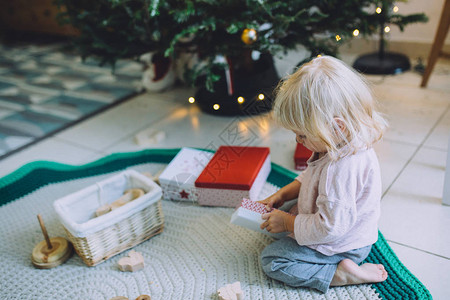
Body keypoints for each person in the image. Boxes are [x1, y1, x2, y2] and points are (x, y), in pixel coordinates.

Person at [259, 56, 388, 293]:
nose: (298, 140)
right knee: (276, 216)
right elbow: (310, 177)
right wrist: (282, 194)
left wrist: (289, 222)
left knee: (273, 259)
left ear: (337, 126)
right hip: (337, 221)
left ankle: (338, 274)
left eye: (303, 135)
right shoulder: (339, 141)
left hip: (342, 243)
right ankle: (294, 222)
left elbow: (330, 228)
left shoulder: (341, 170)